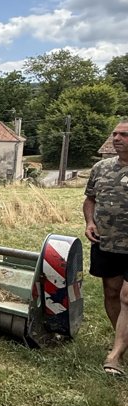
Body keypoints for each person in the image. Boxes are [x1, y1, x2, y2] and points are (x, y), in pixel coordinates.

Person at [83, 120, 128, 376]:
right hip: (107, 242)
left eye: (124, 134)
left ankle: (115, 355)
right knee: (111, 293)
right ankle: (121, 339)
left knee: (126, 296)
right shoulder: (101, 168)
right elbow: (90, 199)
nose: (117, 138)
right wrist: (90, 222)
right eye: (115, 133)